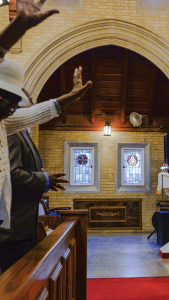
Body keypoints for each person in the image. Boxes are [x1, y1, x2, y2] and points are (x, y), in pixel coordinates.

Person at [0, 0, 92, 230]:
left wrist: (70, 98)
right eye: (9, 99)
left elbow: (34, 114)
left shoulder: (4, 122)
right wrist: (16, 30)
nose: (13, 108)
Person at [0, 89, 69, 273]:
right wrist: (44, 178)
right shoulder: (12, 131)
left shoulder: (22, 131)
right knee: (15, 281)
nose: (32, 105)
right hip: (14, 229)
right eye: (29, 101)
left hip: (23, 226)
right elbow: (11, 174)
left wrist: (39, 173)